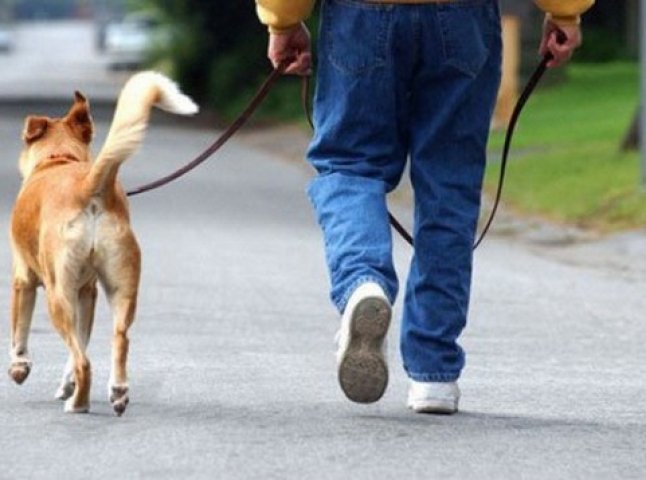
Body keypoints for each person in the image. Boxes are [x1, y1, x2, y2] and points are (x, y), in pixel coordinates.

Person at [255, 0, 594, 413]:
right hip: (463, 18)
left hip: (361, 17)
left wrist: (283, 19)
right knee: (450, 184)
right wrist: (564, 11)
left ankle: (364, 282)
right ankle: (434, 374)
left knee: (350, 166)